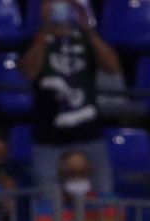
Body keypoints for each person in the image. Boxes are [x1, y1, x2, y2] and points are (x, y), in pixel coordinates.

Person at [19, 0, 121, 193]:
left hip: (89, 133)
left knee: (104, 195)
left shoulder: (87, 39)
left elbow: (113, 67)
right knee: (47, 199)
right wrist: (45, 34)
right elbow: (28, 73)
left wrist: (89, 31)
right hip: (48, 136)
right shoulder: (34, 40)